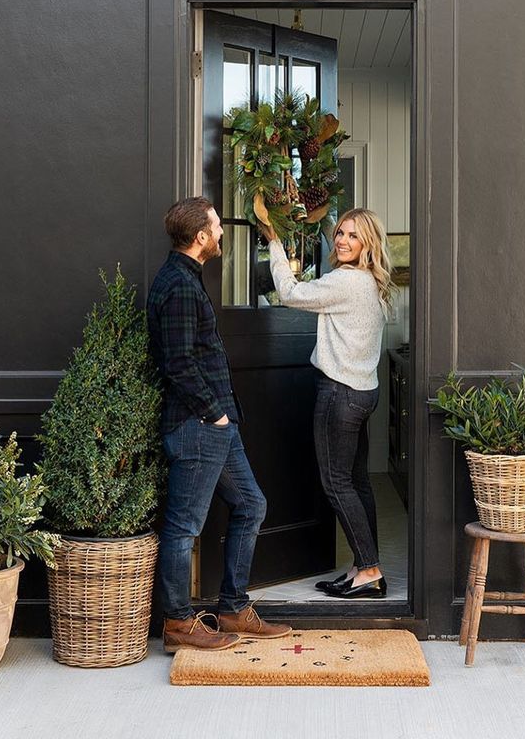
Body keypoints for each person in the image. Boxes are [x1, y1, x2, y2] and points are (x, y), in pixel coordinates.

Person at [148, 196, 291, 651]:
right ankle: (177, 624)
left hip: (214, 427)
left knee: (252, 505)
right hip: (198, 426)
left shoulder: (186, 278)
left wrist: (222, 418)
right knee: (184, 527)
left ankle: (231, 609)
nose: (223, 233)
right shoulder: (178, 285)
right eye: (217, 227)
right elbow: (178, 364)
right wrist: (215, 413)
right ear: (200, 237)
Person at [264, 208, 396, 599]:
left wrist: (273, 241)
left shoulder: (346, 281)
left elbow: (289, 294)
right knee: (356, 482)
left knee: (336, 483)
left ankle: (369, 568)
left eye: (353, 236)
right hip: (363, 392)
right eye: (340, 232)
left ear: (367, 245)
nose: (341, 240)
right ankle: (364, 565)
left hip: (340, 393)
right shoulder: (371, 282)